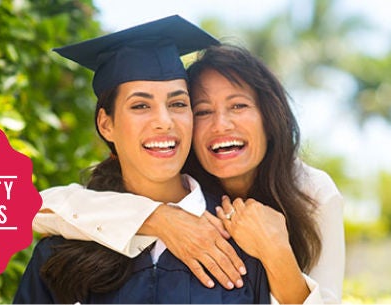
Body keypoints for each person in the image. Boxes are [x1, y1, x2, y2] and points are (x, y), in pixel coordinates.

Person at [32, 42, 345, 303]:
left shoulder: (310, 192)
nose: (221, 124)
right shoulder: (171, 169)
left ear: (270, 116)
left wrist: (276, 252)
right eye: (203, 110)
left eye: (238, 106)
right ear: (106, 124)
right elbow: (37, 209)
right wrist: (161, 219)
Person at [14, 15, 272, 304]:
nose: (164, 122)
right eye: (140, 105)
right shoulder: (61, 253)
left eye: (177, 104)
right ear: (106, 124)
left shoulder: (241, 242)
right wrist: (158, 219)